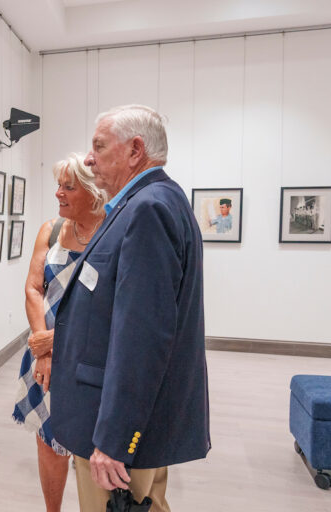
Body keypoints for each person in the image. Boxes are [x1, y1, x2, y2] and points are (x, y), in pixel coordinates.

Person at [50, 105, 210, 512]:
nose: (89, 158)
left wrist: (115, 438)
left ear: (135, 150)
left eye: (99, 147)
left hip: (116, 428)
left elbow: (142, 336)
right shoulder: (144, 203)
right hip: (125, 415)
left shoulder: (148, 209)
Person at [12, 153, 107, 512]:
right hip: (45, 357)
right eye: (58, 185)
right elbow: (33, 289)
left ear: (94, 191)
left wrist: (60, 340)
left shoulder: (113, 231)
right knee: (48, 442)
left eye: (69, 187)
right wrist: (45, 349)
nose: (58, 193)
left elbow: (116, 309)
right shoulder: (50, 230)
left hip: (90, 359)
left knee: (90, 446)